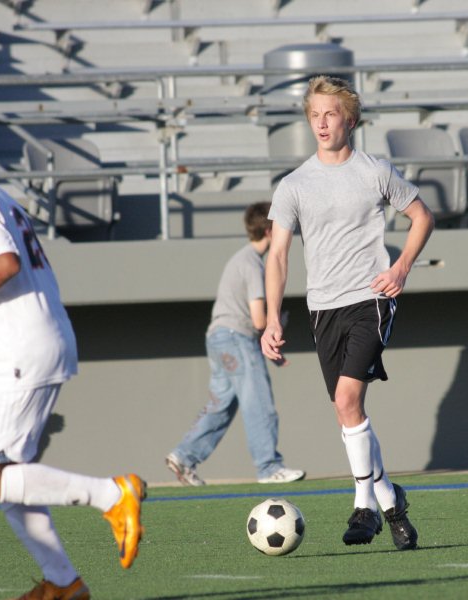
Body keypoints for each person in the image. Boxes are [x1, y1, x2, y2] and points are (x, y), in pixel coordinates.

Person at [0, 101, 144, 600]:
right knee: (12, 477)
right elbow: (0, 274)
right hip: (30, 344)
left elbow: (4, 264)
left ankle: (112, 494)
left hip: (17, 353)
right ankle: (64, 584)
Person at [261, 75, 434, 551]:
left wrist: (400, 268)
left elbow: (422, 216)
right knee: (350, 411)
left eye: (330, 113)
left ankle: (363, 505)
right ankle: (391, 503)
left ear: (350, 120)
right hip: (323, 309)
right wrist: (272, 318)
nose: (321, 122)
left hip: (371, 299)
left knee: (345, 401)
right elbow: (277, 256)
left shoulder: (374, 171)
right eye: (314, 114)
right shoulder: (293, 185)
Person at [165, 202, 305, 486]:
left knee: (222, 405)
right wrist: (278, 323)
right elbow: (257, 320)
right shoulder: (253, 264)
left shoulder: (242, 259)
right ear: (269, 229)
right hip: (235, 337)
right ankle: (268, 467)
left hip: (218, 337)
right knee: (259, 400)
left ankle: (184, 457)